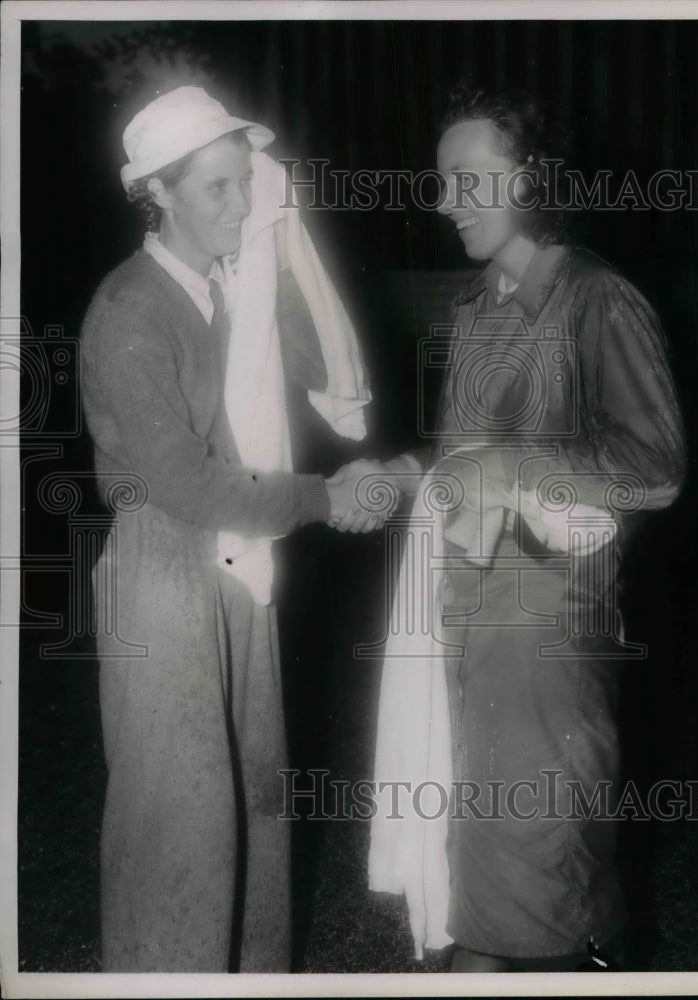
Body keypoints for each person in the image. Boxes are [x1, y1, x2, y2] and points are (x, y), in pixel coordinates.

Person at [364, 83, 687, 971]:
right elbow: (474, 470)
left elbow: (655, 465)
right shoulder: (476, 309)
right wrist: (416, 476)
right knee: (493, 894)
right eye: (440, 183)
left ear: (534, 181)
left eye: (470, 179)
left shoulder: (596, 302)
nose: (446, 202)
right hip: (470, 637)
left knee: (541, 898)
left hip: (546, 648)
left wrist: (512, 470)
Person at [80, 86, 381, 972]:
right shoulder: (131, 311)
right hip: (162, 575)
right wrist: (328, 496)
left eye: (245, 182)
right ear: (158, 195)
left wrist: (275, 246)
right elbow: (187, 483)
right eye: (216, 188)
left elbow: (320, 355)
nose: (241, 205)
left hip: (235, 564)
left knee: (254, 797)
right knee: (177, 820)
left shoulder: (225, 292)